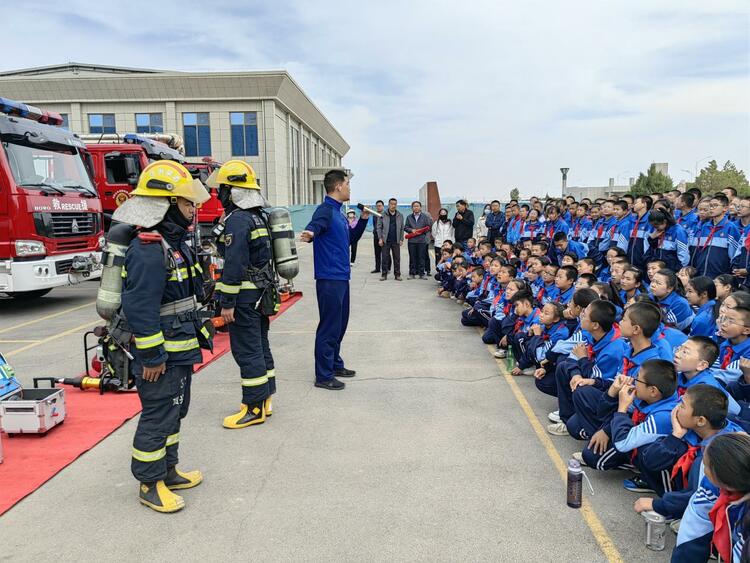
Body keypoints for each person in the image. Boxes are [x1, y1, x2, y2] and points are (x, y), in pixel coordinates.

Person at [114, 160, 211, 513]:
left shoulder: (174, 243)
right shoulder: (148, 248)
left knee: (174, 410)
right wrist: (152, 357)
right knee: (158, 413)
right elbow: (140, 307)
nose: (193, 209)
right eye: (187, 204)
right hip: (161, 356)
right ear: (167, 204)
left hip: (179, 349)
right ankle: (149, 483)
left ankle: (168, 471)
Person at [212, 160, 279, 429]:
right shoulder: (259, 215)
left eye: (222, 189)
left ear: (231, 191)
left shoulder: (238, 220)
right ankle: (265, 399)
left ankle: (253, 409)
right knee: (261, 347)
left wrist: (227, 303)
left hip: (244, 298)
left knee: (247, 351)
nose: (219, 195)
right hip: (262, 295)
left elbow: (234, 265)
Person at [300, 170, 369, 390]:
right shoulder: (326, 210)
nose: (349, 188)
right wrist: (310, 233)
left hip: (341, 276)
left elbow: (349, 240)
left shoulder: (339, 213)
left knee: (340, 324)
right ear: (338, 186)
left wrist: (363, 221)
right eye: (347, 184)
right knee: (329, 326)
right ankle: (323, 376)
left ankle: (335, 363)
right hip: (329, 277)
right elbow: (315, 225)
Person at [671, 432, 750, 562]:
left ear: (726, 484)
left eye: (705, 466)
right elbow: (693, 531)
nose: (703, 467)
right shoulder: (715, 485)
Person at [377, 198, 404, 281]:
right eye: (391, 204)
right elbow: (379, 227)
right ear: (388, 205)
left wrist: (401, 239)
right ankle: (384, 275)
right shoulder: (383, 215)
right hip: (386, 240)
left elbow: (402, 228)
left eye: (395, 204)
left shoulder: (400, 215)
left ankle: (397, 275)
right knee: (385, 258)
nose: (393, 206)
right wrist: (380, 238)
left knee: (397, 258)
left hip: (396, 240)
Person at [404, 201, 433, 279]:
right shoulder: (409, 217)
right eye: (414, 206)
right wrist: (411, 230)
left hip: (421, 241)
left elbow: (428, 227)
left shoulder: (425, 217)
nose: (416, 207)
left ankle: (421, 274)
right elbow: (405, 227)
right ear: (412, 208)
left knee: (421, 257)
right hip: (412, 241)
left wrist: (420, 231)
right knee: (412, 257)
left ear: (420, 207)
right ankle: (412, 273)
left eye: (417, 206)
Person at [431, 208, 454, 273]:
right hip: (438, 244)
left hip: (448, 245)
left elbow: (452, 233)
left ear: (447, 214)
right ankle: (439, 272)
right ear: (439, 214)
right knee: (438, 258)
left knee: (447, 259)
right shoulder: (436, 223)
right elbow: (434, 233)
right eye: (442, 213)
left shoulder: (450, 223)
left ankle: (447, 271)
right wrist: (438, 239)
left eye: (444, 213)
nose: (443, 214)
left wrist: (450, 242)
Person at [371, 200, 385, 273]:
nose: (378, 207)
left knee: (385, 253)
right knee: (377, 253)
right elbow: (374, 225)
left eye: (380, 206)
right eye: (377, 206)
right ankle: (377, 268)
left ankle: (387, 268)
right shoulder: (374, 215)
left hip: (384, 237)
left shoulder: (385, 215)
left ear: (383, 206)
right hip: (376, 236)